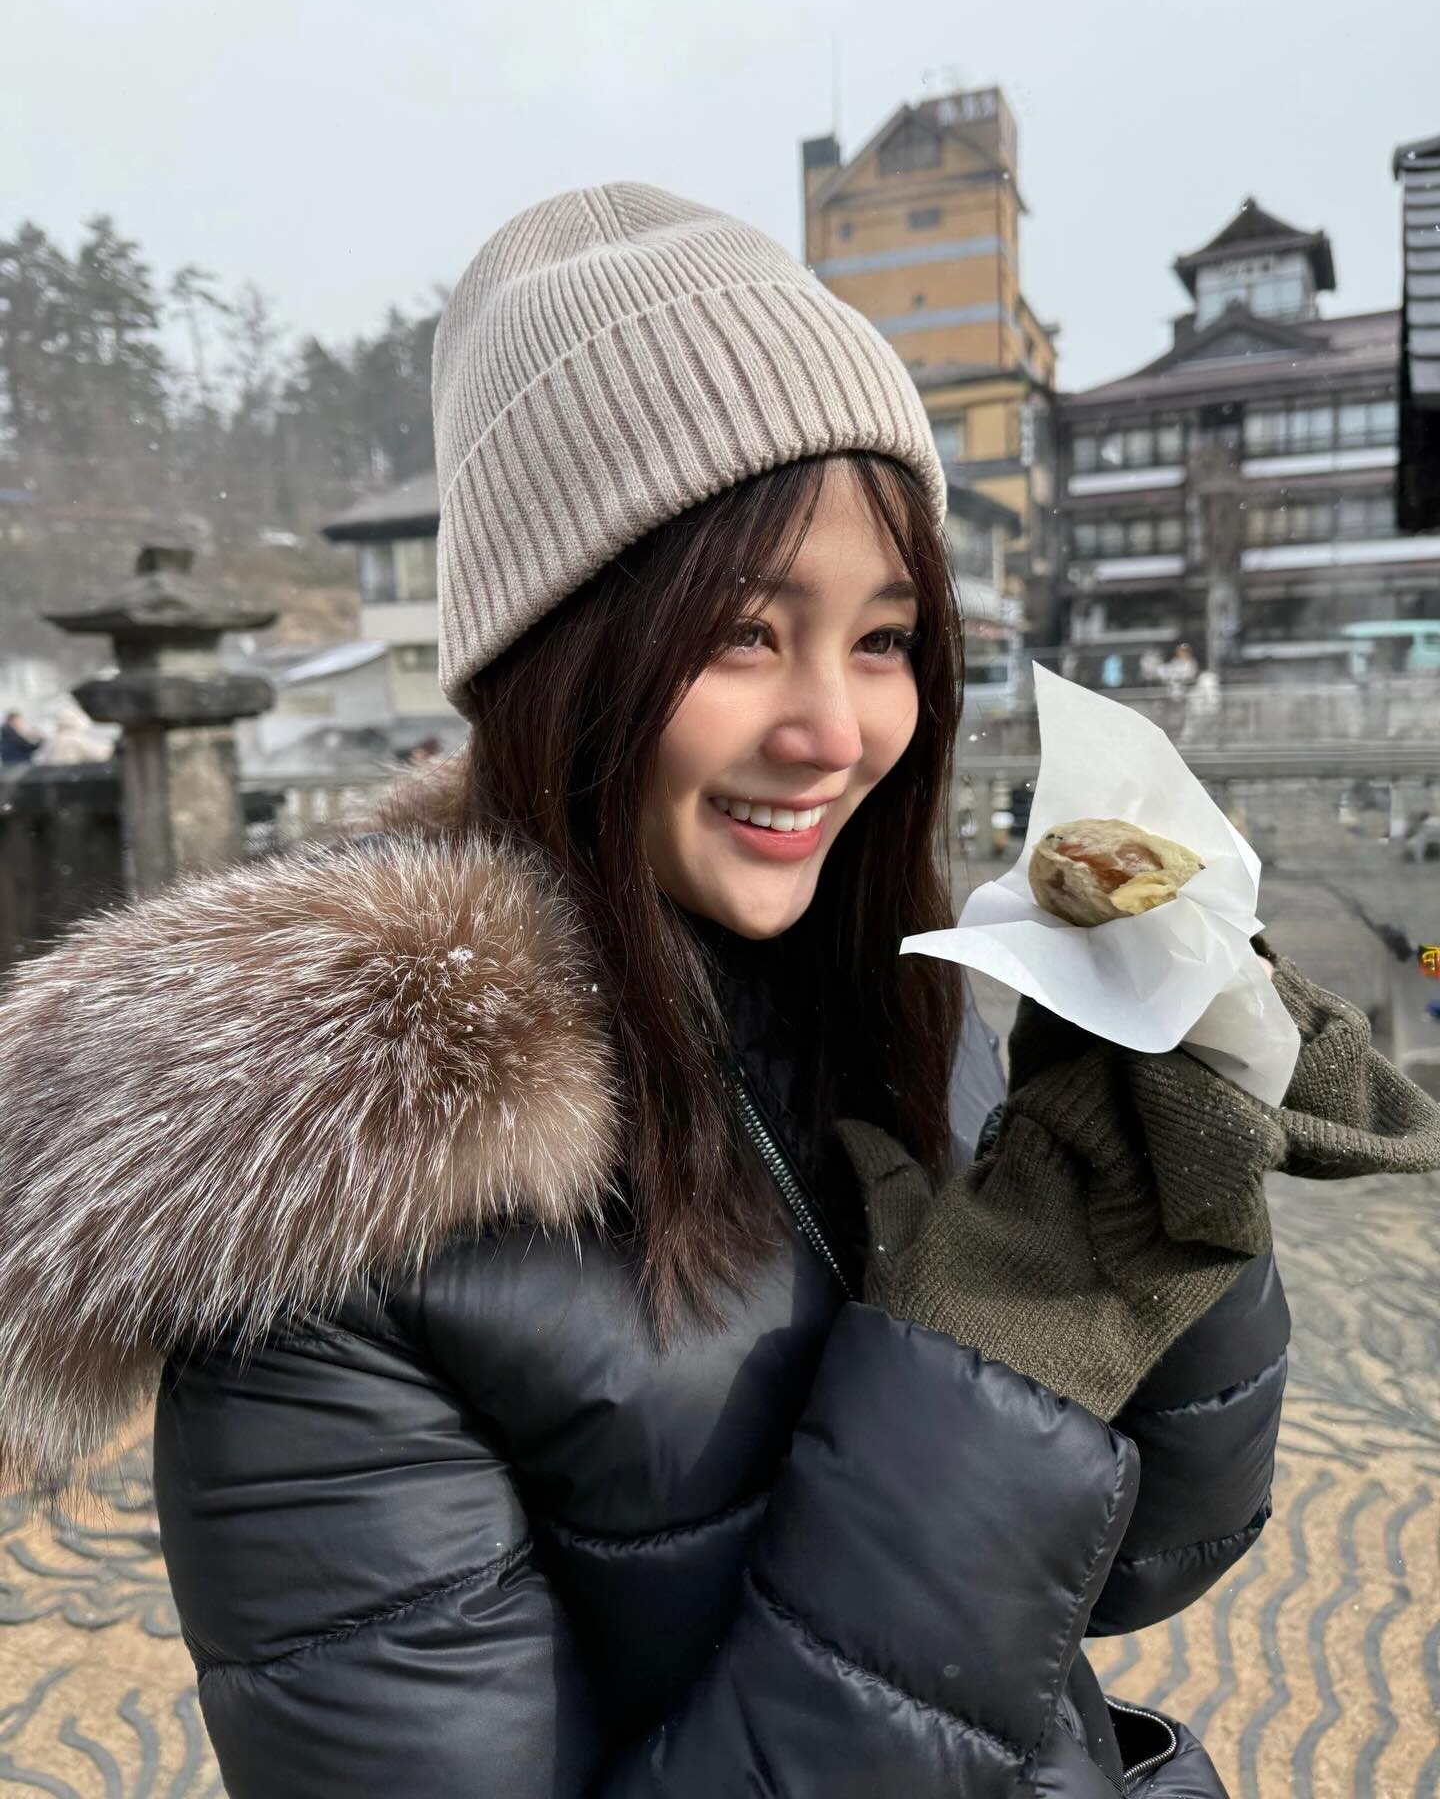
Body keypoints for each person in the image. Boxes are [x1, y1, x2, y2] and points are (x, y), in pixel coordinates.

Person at [0, 187, 1296, 1796]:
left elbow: (1140, 1564)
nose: (836, 732)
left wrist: (1181, 1200)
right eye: (746, 634)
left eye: (884, 638)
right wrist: (987, 1390)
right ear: (561, 652)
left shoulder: (905, 1002)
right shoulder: (332, 1213)